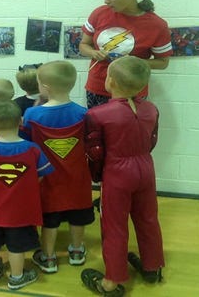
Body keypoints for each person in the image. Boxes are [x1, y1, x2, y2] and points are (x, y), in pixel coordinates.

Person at [81, 56, 164, 297]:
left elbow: (95, 153)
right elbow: (152, 141)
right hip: (146, 169)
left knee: (114, 226)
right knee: (148, 218)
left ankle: (111, 282)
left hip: (117, 173)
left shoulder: (98, 114)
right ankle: (152, 267)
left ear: (111, 81)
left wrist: (98, 178)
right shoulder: (151, 108)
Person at [0, 100, 53, 290]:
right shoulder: (33, 149)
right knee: (17, 247)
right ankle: (16, 277)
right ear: (21, 121)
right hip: (20, 212)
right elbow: (41, 176)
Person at [22, 61, 94, 274]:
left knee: (50, 220)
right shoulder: (84, 114)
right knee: (77, 216)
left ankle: (48, 257)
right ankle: (77, 251)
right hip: (78, 177)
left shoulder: (32, 115)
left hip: (47, 178)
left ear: (45, 86)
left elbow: (26, 143)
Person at [78, 0, 173, 109]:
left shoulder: (157, 25)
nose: (106, 1)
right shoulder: (99, 13)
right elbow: (83, 45)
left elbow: (163, 63)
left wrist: (131, 62)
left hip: (132, 90)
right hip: (99, 86)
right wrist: (94, 53)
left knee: (127, 130)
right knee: (97, 129)